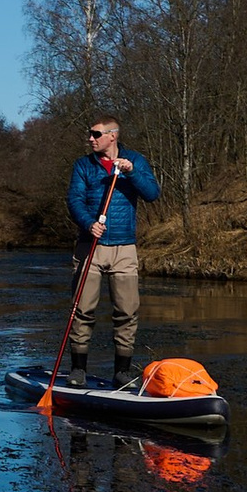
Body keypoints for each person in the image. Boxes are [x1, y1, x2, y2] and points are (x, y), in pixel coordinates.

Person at [64, 116, 160, 387]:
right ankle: (78, 370)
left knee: (127, 312)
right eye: (90, 134)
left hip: (125, 247)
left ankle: (122, 371)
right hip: (90, 247)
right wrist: (88, 223)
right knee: (82, 310)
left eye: (96, 134)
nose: (90, 139)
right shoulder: (83, 165)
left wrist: (132, 173)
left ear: (112, 136)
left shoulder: (135, 161)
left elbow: (152, 193)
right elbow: (74, 200)